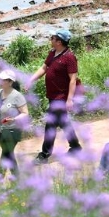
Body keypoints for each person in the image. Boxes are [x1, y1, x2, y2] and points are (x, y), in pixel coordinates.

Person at [25, 28, 82, 164]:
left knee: (50, 124)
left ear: (59, 42)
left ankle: (45, 154)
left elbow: (73, 79)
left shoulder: (69, 57)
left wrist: (69, 99)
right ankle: (76, 147)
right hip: (52, 95)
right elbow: (44, 68)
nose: (51, 40)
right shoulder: (52, 53)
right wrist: (31, 79)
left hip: (61, 97)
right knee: (63, 123)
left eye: (53, 38)